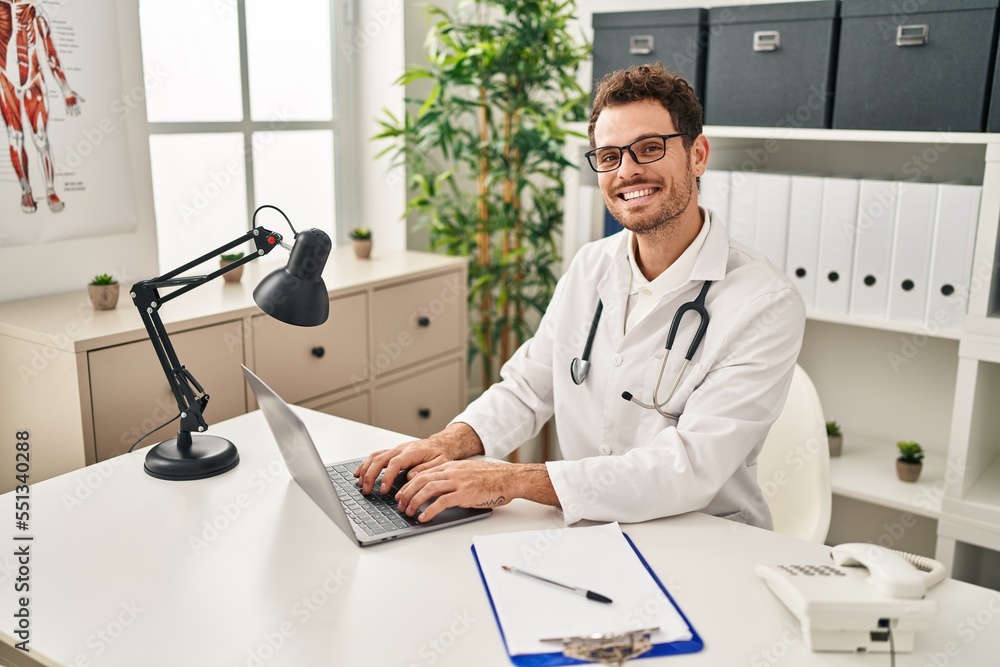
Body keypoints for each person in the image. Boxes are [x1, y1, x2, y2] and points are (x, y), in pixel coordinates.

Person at [356, 62, 806, 529]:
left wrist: (510, 480)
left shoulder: (766, 302)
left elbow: (689, 468)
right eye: (609, 156)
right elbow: (528, 389)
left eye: (649, 149)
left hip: (703, 539)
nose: (627, 172)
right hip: (589, 532)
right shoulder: (591, 266)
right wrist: (446, 444)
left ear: (698, 155)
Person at [0, 0, 82, 214]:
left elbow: (51, 54)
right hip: (6, 81)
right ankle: (26, 190)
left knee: (40, 139)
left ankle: (50, 189)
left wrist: (65, 90)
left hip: (33, 81)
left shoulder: (38, 17)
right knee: (15, 137)